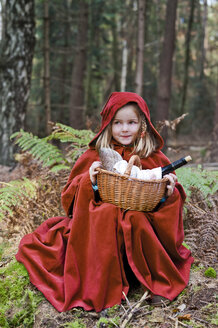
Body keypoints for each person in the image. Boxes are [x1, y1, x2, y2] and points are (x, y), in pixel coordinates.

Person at [16, 92, 194, 312]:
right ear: (108, 125)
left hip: (142, 223)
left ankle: (156, 281)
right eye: (118, 123)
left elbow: (171, 197)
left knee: (135, 217)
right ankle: (103, 284)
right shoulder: (95, 156)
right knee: (107, 212)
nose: (125, 129)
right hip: (103, 228)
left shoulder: (152, 156)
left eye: (131, 122)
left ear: (143, 125)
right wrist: (89, 180)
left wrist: (169, 190)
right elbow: (70, 198)